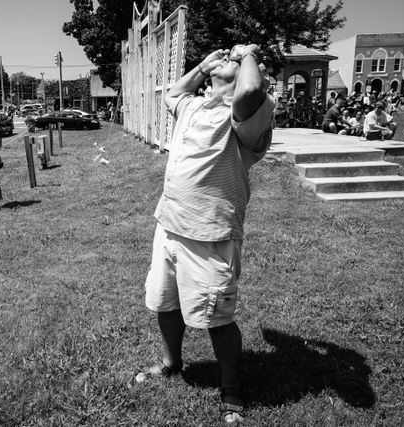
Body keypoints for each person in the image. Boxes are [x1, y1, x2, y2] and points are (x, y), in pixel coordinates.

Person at [142, 43, 273, 424]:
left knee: (217, 319)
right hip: (168, 224)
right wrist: (202, 65)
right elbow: (173, 94)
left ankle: (231, 390)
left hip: (210, 234)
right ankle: (171, 363)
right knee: (164, 303)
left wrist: (247, 52)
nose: (228, 61)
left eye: (238, 63)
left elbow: (249, 91)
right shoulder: (196, 105)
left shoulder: (248, 116)